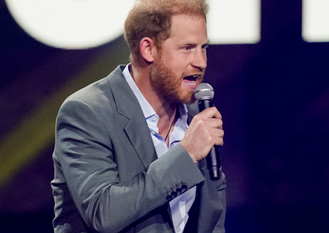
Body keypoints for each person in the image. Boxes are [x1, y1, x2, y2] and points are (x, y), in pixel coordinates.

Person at [50, 0, 226, 232]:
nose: (201, 62)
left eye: (204, 47)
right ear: (148, 49)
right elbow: (104, 213)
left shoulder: (197, 114)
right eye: (187, 48)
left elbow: (211, 214)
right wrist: (187, 153)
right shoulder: (86, 112)